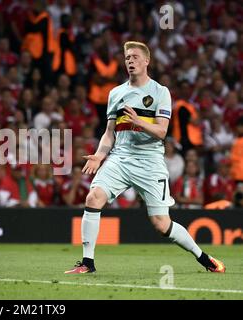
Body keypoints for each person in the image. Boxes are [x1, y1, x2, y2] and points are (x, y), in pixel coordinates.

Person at [66, 41, 225, 275]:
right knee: (93, 198)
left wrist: (139, 121)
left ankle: (203, 258)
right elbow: (109, 132)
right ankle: (87, 263)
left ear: (146, 61)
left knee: (161, 224)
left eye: (135, 57)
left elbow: (162, 132)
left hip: (150, 161)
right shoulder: (116, 93)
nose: (130, 61)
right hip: (120, 158)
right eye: (127, 57)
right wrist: (100, 155)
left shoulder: (160, 92)